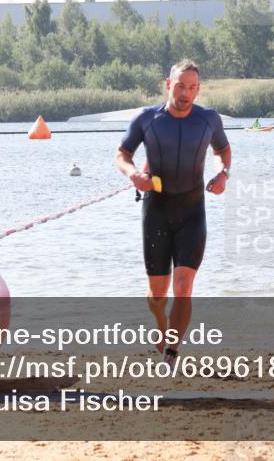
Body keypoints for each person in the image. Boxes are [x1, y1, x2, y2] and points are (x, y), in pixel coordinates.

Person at [115, 59, 231, 365]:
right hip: (156, 211)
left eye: (192, 87)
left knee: (183, 285)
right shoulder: (147, 118)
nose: (186, 93)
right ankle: (160, 323)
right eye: (180, 86)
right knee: (157, 293)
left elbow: (222, 151)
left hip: (193, 210)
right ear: (168, 84)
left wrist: (223, 174)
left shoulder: (209, 119)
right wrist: (133, 175)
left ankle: (171, 353)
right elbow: (123, 153)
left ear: (198, 89)